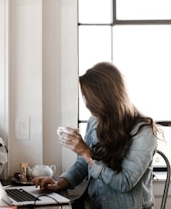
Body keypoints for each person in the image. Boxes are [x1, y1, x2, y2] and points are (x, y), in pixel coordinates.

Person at [31, 62, 161, 209]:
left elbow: (124, 183)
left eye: (90, 99)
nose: (87, 105)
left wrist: (86, 152)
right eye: (85, 98)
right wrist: (59, 183)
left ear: (107, 98)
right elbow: (83, 164)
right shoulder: (95, 122)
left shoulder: (144, 132)